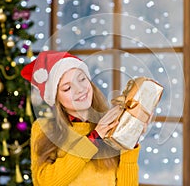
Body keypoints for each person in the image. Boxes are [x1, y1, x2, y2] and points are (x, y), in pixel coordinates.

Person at [21, 51, 141, 186]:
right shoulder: (44, 128)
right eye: (67, 88)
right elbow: (46, 182)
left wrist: (129, 143)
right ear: (56, 99)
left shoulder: (111, 124)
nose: (80, 89)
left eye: (82, 79)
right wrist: (94, 137)